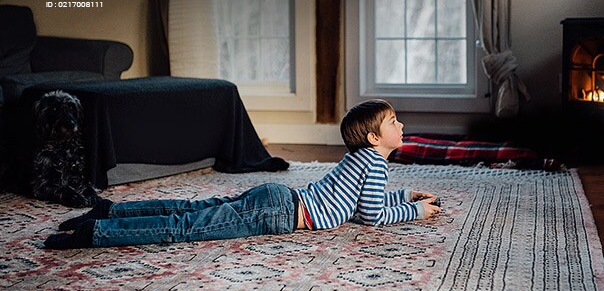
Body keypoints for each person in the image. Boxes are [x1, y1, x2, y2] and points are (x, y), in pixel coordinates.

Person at [44, 99, 441, 249]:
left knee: (191, 207)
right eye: (394, 121)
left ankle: (107, 212)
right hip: (279, 214)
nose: (401, 125)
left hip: (277, 198)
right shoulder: (373, 162)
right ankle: (93, 233)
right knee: (185, 226)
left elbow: (361, 202)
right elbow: (371, 214)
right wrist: (415, 214)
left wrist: (405, 197)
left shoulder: (361, 159)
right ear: (374, 137)